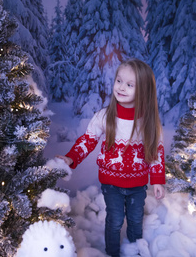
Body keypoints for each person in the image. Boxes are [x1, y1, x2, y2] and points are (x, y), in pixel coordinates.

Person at [57, 59, 165, 257]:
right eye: (119, 81)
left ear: (144, 91)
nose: (121, 88)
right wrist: (71, 158)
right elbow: (88, 139)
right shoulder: (105, 116)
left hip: (137, 185)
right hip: (111, 184)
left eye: (130, 85)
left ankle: (134, 251)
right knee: (115, 220)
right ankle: (112, 253)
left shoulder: (148, 122)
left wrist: (157, 180)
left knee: (135, 220)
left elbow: (156, 152)